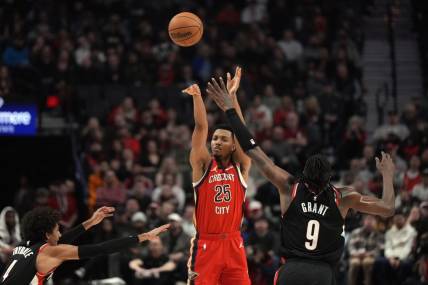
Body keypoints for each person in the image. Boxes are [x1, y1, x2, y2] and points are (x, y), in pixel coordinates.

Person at [206, 76, 395, 285]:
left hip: (291, 271)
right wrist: (387, 175)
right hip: (323, 274)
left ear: (304, 174)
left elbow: (252, 150)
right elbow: (387, 208)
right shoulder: (344, 197)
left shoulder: (290, 187)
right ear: (329, 178)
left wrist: (230, 108)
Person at [182, 67, 252, 284]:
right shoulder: (203, 164)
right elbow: (201, 127)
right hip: (206, 245)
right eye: (215, 139)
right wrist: (197, 98)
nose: (216, 142)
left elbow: (242, 131)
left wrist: (232, 98)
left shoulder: (241, 165)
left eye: (223, 139)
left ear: (233, 145)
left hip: (233, 244)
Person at [0, 206, 169, 285]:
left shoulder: (25, 245)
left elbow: (63, 240)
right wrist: (144, 236)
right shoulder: (49, 252)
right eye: (57, 230)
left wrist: (91, 222)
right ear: (46, 235)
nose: (59, 234)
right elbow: (101, 249)